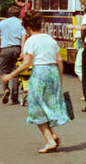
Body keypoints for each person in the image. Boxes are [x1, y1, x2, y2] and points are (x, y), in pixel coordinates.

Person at [4, 10, 69, 153]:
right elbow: (59, 60)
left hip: (40, 73)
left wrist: (10, 75)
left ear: (27, 27)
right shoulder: (50, 39)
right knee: (47, 105)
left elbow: (26, 64)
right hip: (53, 73)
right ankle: (52, 135)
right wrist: (60, 79)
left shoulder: (30, 41)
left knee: (36, 108)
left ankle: (50, 140)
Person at [0, 6, 26, 105]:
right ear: (19, 14)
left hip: (5, 48)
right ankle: (14, 97)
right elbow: (24, 37)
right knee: (15, 72)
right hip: (17, 48)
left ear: (9, 13)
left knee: (3, 70)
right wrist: (22, 50)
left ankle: (5, 89)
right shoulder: (21, 23)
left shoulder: (3, 23)